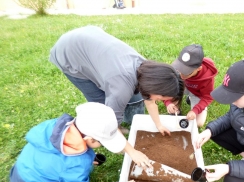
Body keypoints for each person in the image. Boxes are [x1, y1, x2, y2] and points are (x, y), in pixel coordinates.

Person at [49, 25, 184, 168]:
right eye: (162, 98)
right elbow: (108, 116)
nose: (160, 101)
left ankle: (117, 128)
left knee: (111, 100)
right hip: (70, 52)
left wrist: (159, 125)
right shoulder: (121, 88)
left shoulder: (149, 72)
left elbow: (150, 100)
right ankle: (108, 131)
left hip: (90, 42)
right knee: (101, 105)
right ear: (155, 88)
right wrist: (132, 151)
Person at [10, 102, 139, 182]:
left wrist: (88, 159)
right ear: (89, 139)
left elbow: (63, 158)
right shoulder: (74, 166)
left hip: (24, 176)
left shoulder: (59, 126)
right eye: (102, 142)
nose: (101, 146)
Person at [165, 44, 218, 127]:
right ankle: (177, 108)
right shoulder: (176, 69)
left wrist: (195, 110)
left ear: (199, 68)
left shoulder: (207, 77)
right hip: (181, 88)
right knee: (172, 108)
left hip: (197, 93)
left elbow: (208, 97)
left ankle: (191, 99)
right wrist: (168, 102)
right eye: (180, 69)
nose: (182, 75)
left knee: (198, 123)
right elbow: (164, 87)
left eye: (186, 72)